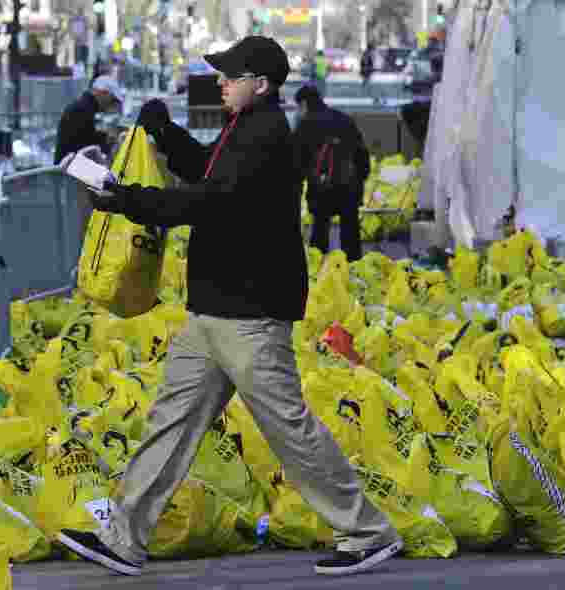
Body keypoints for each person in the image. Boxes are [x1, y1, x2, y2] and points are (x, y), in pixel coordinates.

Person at [55, 36, 402, 577]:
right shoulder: (243, 128)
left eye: (231, 75)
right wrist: (165, 132)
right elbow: (207, 172)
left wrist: (127, 200)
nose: (220, 81)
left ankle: (368, 532)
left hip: (249, 312)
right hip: (215, 309)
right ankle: (124, 537)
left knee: (289, 428)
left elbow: (209, 200)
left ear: (260, 84)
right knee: (171, 421)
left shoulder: (264, 134)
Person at [293, 84, 371, 262]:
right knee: (350, 232)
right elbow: (361, 154)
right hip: (349, 186)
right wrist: (361, 178)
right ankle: (353, 270)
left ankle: (318, 272)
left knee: (320, 231)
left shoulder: (306, 125)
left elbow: (297, 161)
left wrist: (298, 185)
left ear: (304, 103)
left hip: (322, 188)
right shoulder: (344, 119)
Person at [53, 75, 124, 164]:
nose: (110, 106)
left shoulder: (84, 107)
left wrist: (105, 138)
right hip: (68, 172)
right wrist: (107, 143)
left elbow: (86, 138)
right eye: (112, 100)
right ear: (104, 93)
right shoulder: (83, 110)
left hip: (67, 168)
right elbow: (86, 146)